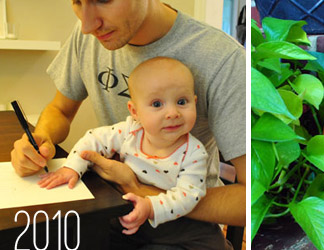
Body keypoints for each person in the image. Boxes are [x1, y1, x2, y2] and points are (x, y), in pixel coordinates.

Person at [11, 0, 245, 247]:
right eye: (77, 1)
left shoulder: (224, 59)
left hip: (186, 226)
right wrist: (42, 138)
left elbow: (246, 202)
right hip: (115, 211)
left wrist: (136, 188)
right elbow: (60, 110)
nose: (87, 26)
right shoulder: (89, 37)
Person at [40, 56, 214, 236]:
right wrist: (72, 168)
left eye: (182, 102)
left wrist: (149, 206)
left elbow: (188, 196)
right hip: (127, 214)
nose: (172, 113)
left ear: (195, 101)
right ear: (135, 112)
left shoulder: (194, 152)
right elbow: (94, 139)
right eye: (157, 104)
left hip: (178, 227)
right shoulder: (131, 131)